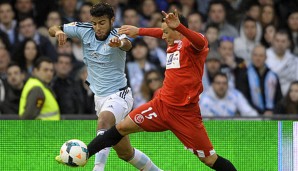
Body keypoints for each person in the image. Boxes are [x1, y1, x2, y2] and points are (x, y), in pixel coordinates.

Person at [57, 9, 237, 171]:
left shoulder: (194, 45)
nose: (163, 36)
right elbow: (161, 32)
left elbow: (198, 40)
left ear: (178, 29)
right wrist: (139, 31)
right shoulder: (172, 41)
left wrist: (180, 28)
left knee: (210, 160)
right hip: (161, 106)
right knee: (120, 127)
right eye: (164, 32)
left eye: (167, 32)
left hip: (185, 114)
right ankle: (86, 153)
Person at [49, 3, 162, 171]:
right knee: (125, 153)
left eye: (102, 23)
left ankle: (97, 169)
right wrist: (58, 32)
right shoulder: (84, 29)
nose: (97, 28)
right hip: (99, 98)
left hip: (119, 95)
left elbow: (127, 45)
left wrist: (119, 44)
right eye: (94, 23)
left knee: (104, 123)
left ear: (112, 20)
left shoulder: (118, 36)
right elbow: (53, 28)